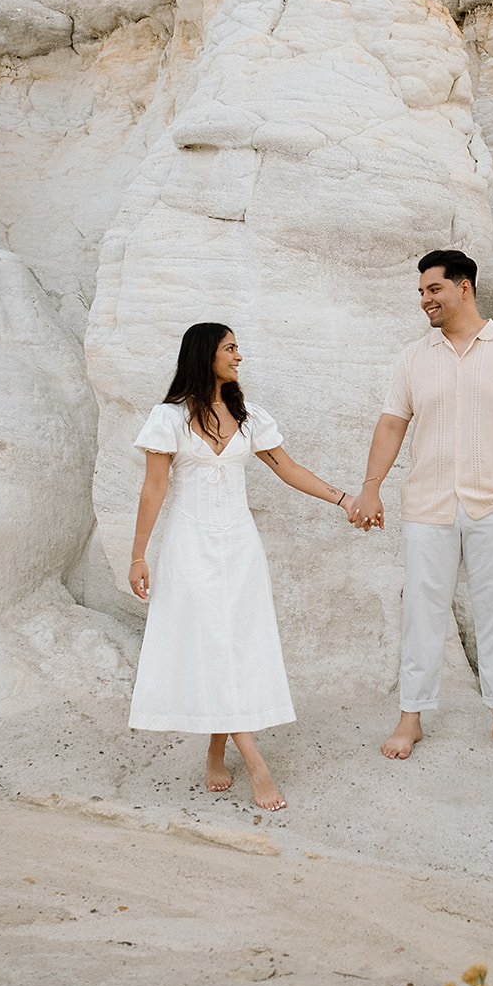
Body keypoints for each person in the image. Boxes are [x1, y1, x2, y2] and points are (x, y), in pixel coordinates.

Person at [128, 322, 357, 811]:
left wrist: (343, 499)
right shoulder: (167, 418)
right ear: (206, 354)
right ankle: (254, 761)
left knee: (232, 644)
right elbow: (154, 489)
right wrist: (137, 554)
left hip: (239, 547)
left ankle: (216, 749)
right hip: (189, 547)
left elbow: (288, 469)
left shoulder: (249, 417)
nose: (239, 356)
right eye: (231, 348)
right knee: (209, 641)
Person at [350, 250, 493, 762]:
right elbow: (392, 423)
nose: (425, 300)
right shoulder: (413, 357)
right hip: (428, 504)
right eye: (421, 292)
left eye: (433, 289)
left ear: (463, 287)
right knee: (421, 613)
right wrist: (371, 486)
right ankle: (410, 720)